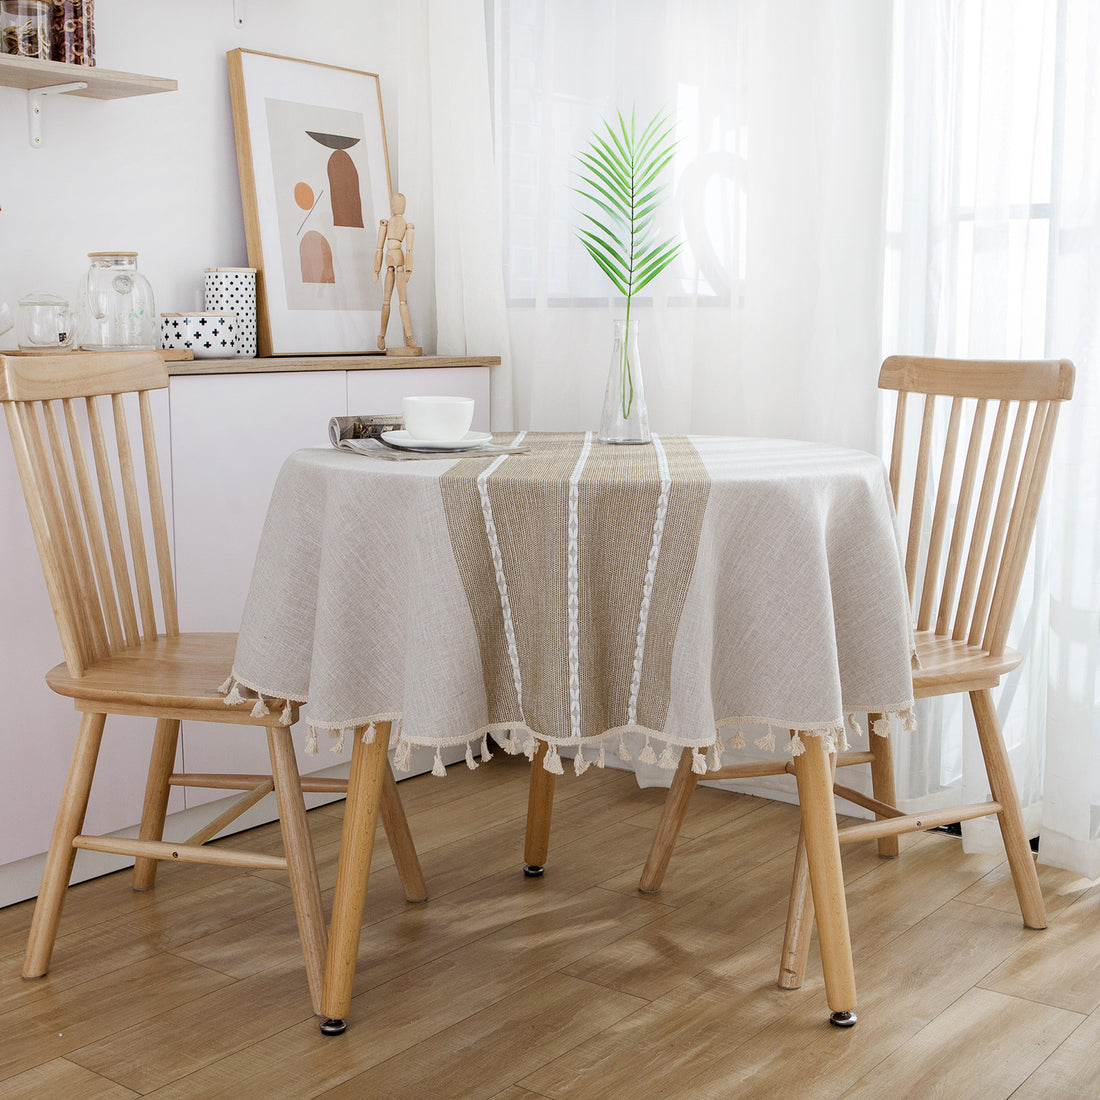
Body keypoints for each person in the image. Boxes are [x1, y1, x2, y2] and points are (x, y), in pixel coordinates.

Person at [372, 192, 421, 355]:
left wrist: (409, 269)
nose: (397, 206)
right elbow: (379, 248)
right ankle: (382, 335)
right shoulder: (387, 223)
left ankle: (409, 336)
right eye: (395, 203)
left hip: (399, 263)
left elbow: (409, 249)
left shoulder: (406, 225)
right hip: (389, 264)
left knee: (402, 301)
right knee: (386, 301)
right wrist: (376, 270)